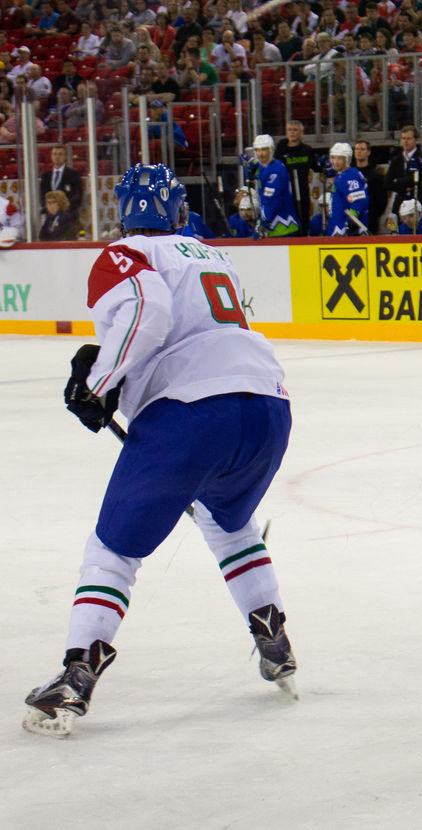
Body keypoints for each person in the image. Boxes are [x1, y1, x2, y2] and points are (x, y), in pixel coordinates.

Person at [22, 163, 297, 739]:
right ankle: (272, 635)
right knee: (230, 524)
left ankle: (77, 675)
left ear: (122, 212)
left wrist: (99, 383)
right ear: (177, 209)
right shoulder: (209, 252)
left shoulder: (125, 255)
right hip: (268, 406)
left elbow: (149, 316)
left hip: (192, 414)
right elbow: (197, 325)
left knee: (112, 550)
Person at [246, 134, 300, 237]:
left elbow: (272, 200)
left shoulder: (276, 170)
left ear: (272, 150)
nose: (260, 154)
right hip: (273, 227)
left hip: (283, 226)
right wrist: (252, 165)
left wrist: (263, 221)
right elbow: (262, 172)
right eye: (257, 150)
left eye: (264, 150)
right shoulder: (265, 166)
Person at [275, 121, 321, 236]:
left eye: (295, 130)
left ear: (301, 133)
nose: (292, 133)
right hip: (287, 193)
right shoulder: (280, 152)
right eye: (289, 130)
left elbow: (317, 168)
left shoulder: (307, 151)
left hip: (303, 191)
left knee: (304, 219)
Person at [384, 124, 422, 217]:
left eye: (409, 138)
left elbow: (419, 179)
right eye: (403, 138)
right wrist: (405, 187)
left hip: (419, 201)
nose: (405, 141)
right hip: (400, 202)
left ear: (416, 140)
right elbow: (387, 183)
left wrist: (398, 181)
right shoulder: (396, 159)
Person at [327, 141, 370, 235]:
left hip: (346, 231)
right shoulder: (340, 176)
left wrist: (352, 220)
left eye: (340, 158)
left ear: (347, 159)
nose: (335, 162)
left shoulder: (350, 175)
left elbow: (360, 199)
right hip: (338, 226)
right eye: (333, 158)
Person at [353, 139, 388, 234]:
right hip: (351, 220)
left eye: (362, 149)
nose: (359, 151)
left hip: (370, 221)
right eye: (357, 149)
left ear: (368, 152)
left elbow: (381, 201)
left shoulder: (375, 176)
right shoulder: (349, 174)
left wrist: (373, 216)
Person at [39, 145, 84, 216]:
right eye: (55, 154)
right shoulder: (46, 176)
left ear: (65, 157)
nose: (57, 157)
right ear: (51, 156)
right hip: (49, 214)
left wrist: (64, 208)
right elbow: (42, 195)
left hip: (68, 214)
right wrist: (49, 207)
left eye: (60, 154)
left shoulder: (74, 174)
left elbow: (78, 196)